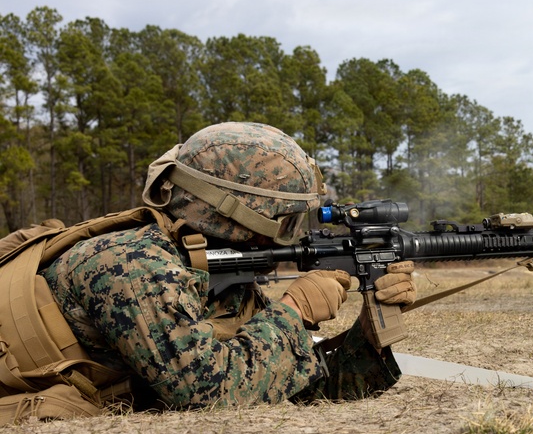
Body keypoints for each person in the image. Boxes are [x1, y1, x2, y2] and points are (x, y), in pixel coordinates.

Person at [26, 122, 414, 411]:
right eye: (284, 221)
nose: (290, 236)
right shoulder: (135, 265)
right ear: (234, 214)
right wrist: (294, 312)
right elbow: (207, 394)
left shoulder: (210, 271)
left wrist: (368, 333)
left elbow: (287, 384)